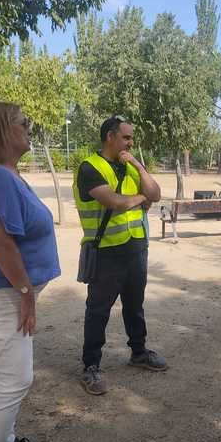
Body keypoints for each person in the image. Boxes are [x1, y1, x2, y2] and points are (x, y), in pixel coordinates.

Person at [0, 102, 60, 442]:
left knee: (7, 374)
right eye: (24, 122)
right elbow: (0, 243)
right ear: (2, 130)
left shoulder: (4, 174)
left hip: (7, 292)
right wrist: (25, 293)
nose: (30, 126)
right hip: (5, 294)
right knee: (17, 378)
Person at [74, 116, 165, 396]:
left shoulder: (130, 166)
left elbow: (156, 194)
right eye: (126, 138)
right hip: (106, 252)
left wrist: (137, 165)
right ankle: (91, 366)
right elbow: (114, 201)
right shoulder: (90, 168)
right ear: (110, 137)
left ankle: (138, 352)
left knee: (134, 305)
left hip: (135, 248)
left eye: (131, 138)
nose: (130, 143)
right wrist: (139, 199)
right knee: (98, 310)